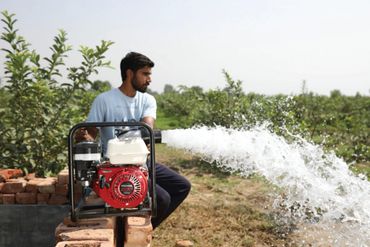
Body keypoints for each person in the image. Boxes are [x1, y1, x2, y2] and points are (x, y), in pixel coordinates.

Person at [77, 52, 191, 229]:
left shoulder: (147, 100)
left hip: (141, 162)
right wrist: (84, 136)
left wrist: (146, 135)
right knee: (162, 198)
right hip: (114, 165)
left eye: (150, 74)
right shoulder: (104, 100)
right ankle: (132, 232)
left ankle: (143, 231)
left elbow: (147, 125)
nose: (150, 79)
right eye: (145, 74)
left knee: (182, 186)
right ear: (130, 74)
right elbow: (91, 133)